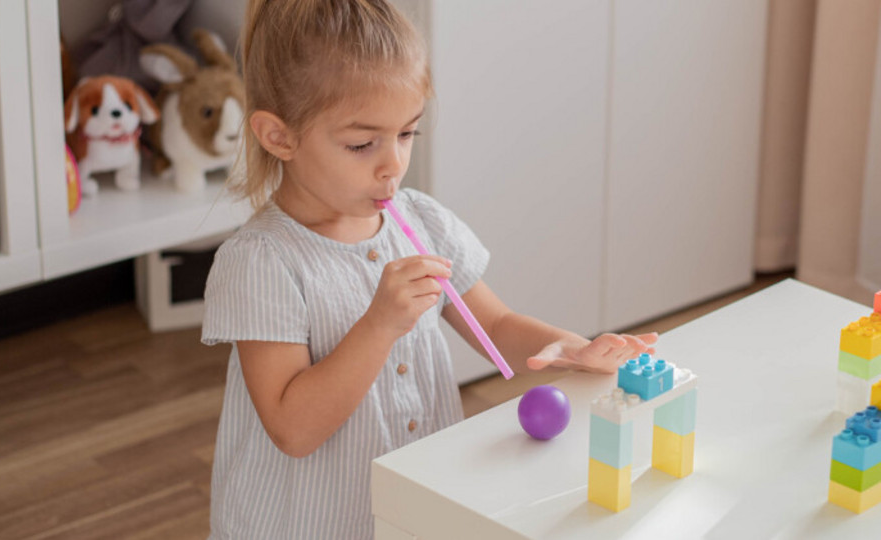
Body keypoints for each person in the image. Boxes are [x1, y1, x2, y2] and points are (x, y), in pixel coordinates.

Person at [201, 1, 658, 538]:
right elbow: (292, 430)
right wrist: (378, 325)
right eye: (361, 143)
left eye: (407, 133)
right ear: (279, 136)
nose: (393, 162)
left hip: (411, 510)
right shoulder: (261, 261)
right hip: (307, 522)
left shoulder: (420, 220)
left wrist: (572, 349)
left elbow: (495, 325)